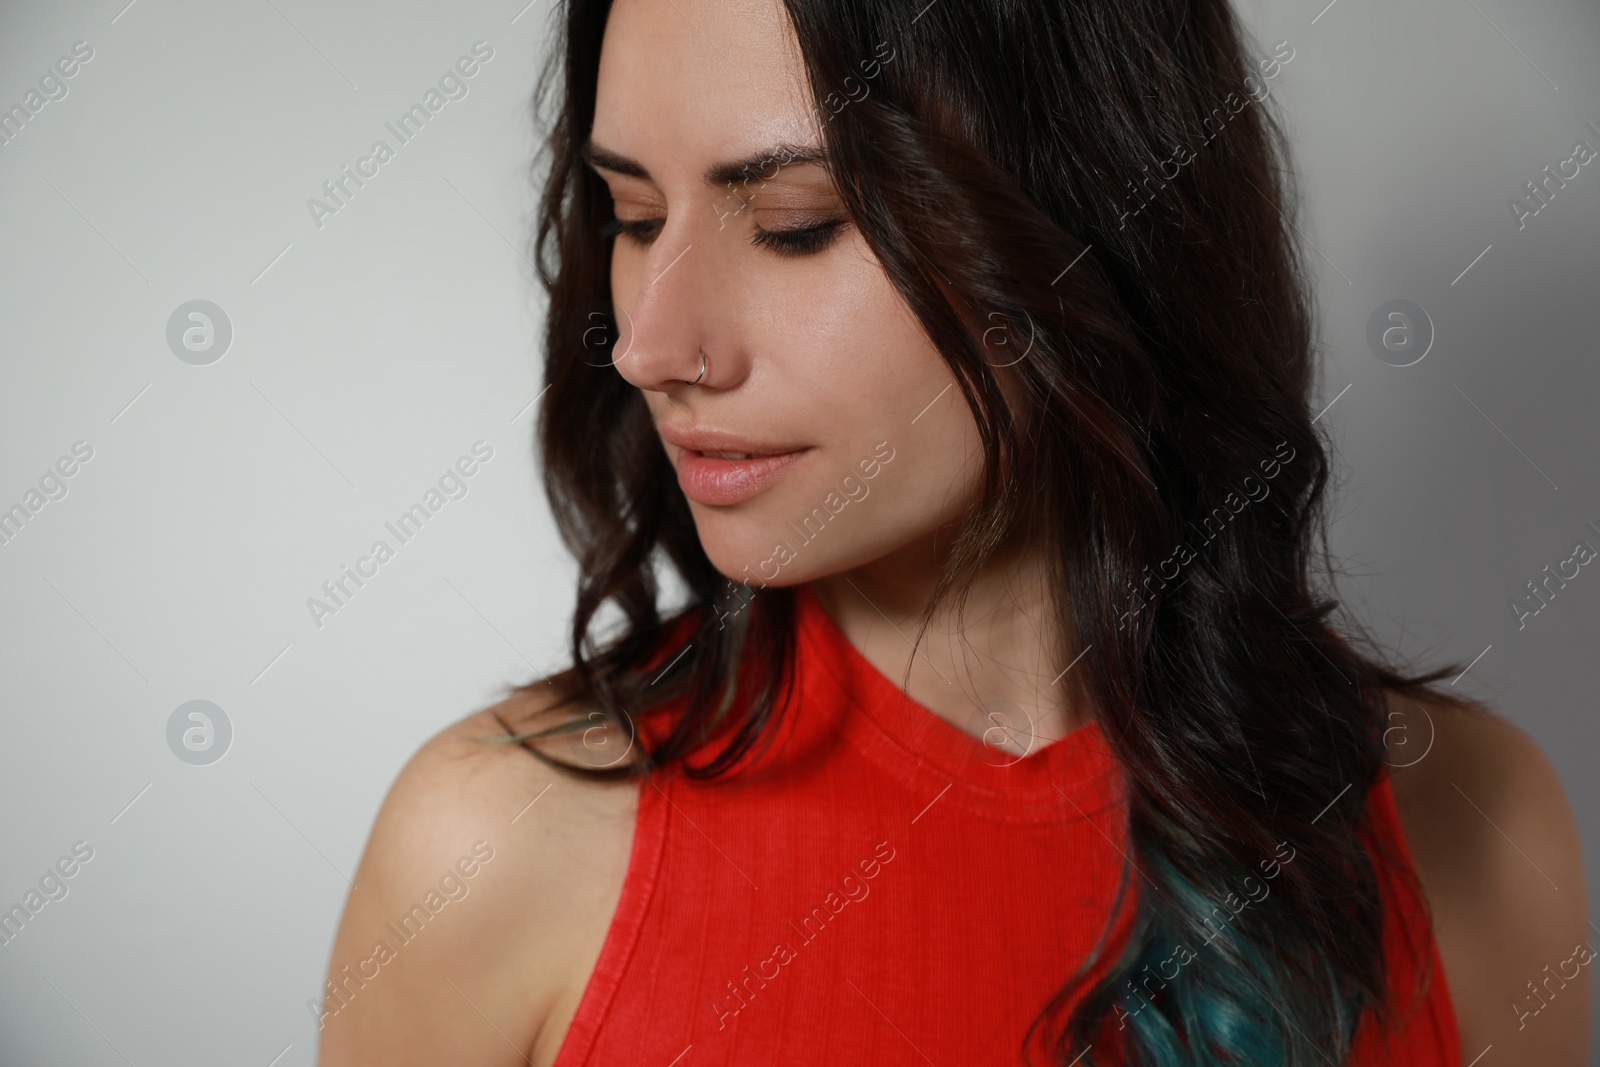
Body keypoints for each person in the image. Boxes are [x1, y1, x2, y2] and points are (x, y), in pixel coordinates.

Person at [318, 0, 1592, 1063]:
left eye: (793, 224)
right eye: (635, 218)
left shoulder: (1468, 825)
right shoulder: (491, 850)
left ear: (1095, 225)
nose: (652, 344)